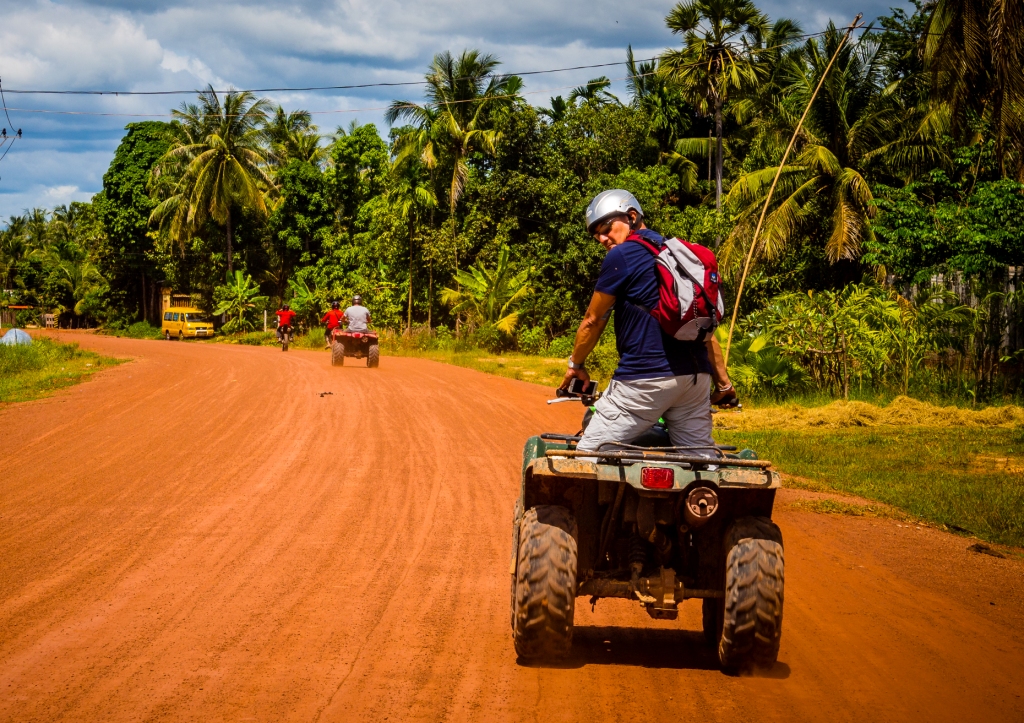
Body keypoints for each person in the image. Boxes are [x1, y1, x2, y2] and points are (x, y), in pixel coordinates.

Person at [560, 189, 737, 456]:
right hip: (695, 380)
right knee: (701, 464)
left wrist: (576, 365)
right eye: (596, 234)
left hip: (644, 379)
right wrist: (724, 385)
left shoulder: (622, 256)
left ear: (632, 216)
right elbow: (702, 330)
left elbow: (593, 321)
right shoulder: (676, 253)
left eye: (606, 228)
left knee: (586, 457)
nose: (602, 238)